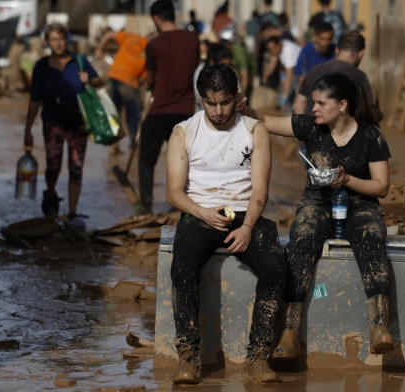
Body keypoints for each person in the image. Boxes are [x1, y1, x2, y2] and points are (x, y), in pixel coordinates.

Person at [237, 72, 394, 360]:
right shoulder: (310, 127)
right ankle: (290, 332)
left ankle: (380, 326)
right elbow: (268, 121)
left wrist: (346, 180)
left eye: (321, 103)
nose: (314, 109)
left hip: (361, 205)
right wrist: (239, 106)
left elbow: (381, 187)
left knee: (373, 236)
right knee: (303, 236)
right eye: (313, 103)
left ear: (342, 105)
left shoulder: (371, 135)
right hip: (317, 203)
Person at [166, 64, 285, 384]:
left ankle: (259, 356)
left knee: (276, 265)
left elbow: (260, 189)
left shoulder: (254, 129)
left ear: (238, 98)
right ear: (200, 99)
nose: (218, 111)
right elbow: (174, 193)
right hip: (200, 213)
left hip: (246, 215)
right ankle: (188, 355)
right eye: (210, 103)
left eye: (225, 102)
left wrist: (247, 227)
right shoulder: (183, 132)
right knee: (181, 267)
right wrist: (202, 212)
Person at [23, 24, 103, 224]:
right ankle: (51, 194)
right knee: (53, 166)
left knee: (76, 168)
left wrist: (89, 80)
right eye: (53, 39)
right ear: (47, 42)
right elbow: (34, 100)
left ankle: (72, 212)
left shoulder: (80, 61)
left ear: (66, 39)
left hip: (78, 124)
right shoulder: (42, 66)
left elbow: (99, 81)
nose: (58, 43)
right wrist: (28, 130)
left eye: (61, 38)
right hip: (53, 123)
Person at [138, 0, 199, 215]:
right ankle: (184, 208)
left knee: (146, 160)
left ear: (156, 18)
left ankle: (145, 207)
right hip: (185, 112)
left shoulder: (154, 44)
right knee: (185, 162)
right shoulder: (193, 40)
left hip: (160, 110)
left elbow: (150, 78)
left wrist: (150, 86)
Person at [294, 30, 380, 122]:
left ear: (337, 50)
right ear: (360, 54)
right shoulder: (358, 76)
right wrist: (377, 114)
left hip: (312, 130)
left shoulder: (314, 71)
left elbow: (298, 105)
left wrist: (304, 129)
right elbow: (366, 113)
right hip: (339, 133)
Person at [96, 28, 150, 149]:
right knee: (132, 114)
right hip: (129, 83)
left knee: (113, 113)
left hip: (113, 76)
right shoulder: (151, 51)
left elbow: (109, 34)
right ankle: (134, 145)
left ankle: (113, 145)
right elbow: (145, 79)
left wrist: (99, 50)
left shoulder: (132, 37)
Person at [264, 36, 302, 111]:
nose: (272, 52)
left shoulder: (288, 52)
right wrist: (266, 75)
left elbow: (289, 77)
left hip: (300, 71)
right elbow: (273, 62)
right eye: (270, 50)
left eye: (273, 49)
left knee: (289, 90)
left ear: (278, 44)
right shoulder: (279, 46)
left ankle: (290, 111)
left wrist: (284, 96)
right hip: (291, 69)